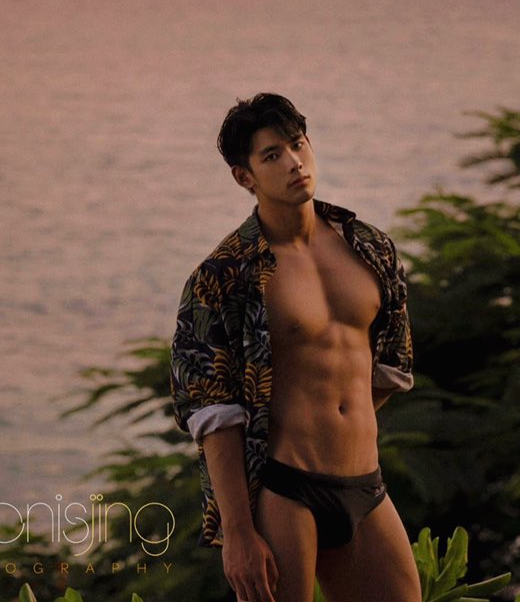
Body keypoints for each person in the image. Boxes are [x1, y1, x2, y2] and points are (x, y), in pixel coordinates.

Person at [170, 93, 421, 602]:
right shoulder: (224, 275)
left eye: (298, 145)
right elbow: (212, 413)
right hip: (287, 489)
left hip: (364, 483)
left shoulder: (371, 249)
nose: (294, 163)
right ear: (244, 177)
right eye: (272, 155)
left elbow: (392, 364)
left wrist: (338, 423)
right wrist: (238, 534)